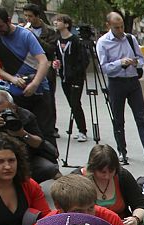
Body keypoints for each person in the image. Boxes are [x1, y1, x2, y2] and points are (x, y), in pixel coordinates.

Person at [0, 4, 55, 144]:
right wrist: (12, 79)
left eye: (0, 26)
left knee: (45, 130)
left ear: (8, 20)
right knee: (19, 129)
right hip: (16, 90)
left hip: (39, 89)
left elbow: (43, 61)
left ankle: (50, 160)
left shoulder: (25, 34)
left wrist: (35, 84)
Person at [96, 11, 144, 164]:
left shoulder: (130, 38)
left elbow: (142, 59)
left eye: (122, 26)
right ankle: (121, 151)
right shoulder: (103, 42)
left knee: (141, 118)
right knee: (118, 120)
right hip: (116, 83)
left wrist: (136, 62)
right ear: (108, 26)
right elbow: (104, 68)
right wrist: (119, 63)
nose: (120, 30)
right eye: (116, 27)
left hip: (133, 81)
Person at [73, 144, 144, 225]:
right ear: (92, 168)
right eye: (102, 172)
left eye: (111, 171)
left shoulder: (122, 175)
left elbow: (140, 204)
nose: (107, 176)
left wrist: (135, 219)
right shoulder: (77, 180)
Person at [0, 88, 61, 183]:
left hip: (26, 157)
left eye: (5, 111)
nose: (2, 115)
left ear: (13, 106)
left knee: (49, 168)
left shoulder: (26, 115)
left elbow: (38, 143)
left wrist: (22, 134)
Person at [22, 4, 58, 138]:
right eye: (26, 16)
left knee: (48, 99)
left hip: (46, 68)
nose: (28, 18)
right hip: (29, 68)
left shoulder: (49, 31)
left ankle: (50, 127)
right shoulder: (23, 30)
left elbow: (50, 49)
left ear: (37, 16)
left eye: (30, 16)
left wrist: (33, 38)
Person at [53, 14, 88, 142]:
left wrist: (76, 72)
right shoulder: (57, 40)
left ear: (66, 24)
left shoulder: (75, 40)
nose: (56, 23)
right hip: (64, 77)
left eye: (59, 21)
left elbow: (83, 60)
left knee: (75, 103)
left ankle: (82, 130)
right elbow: (56, 57)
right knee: (71, 104)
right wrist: (56, 63)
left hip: (76, 78)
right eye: (55, 21)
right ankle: (80, 129)